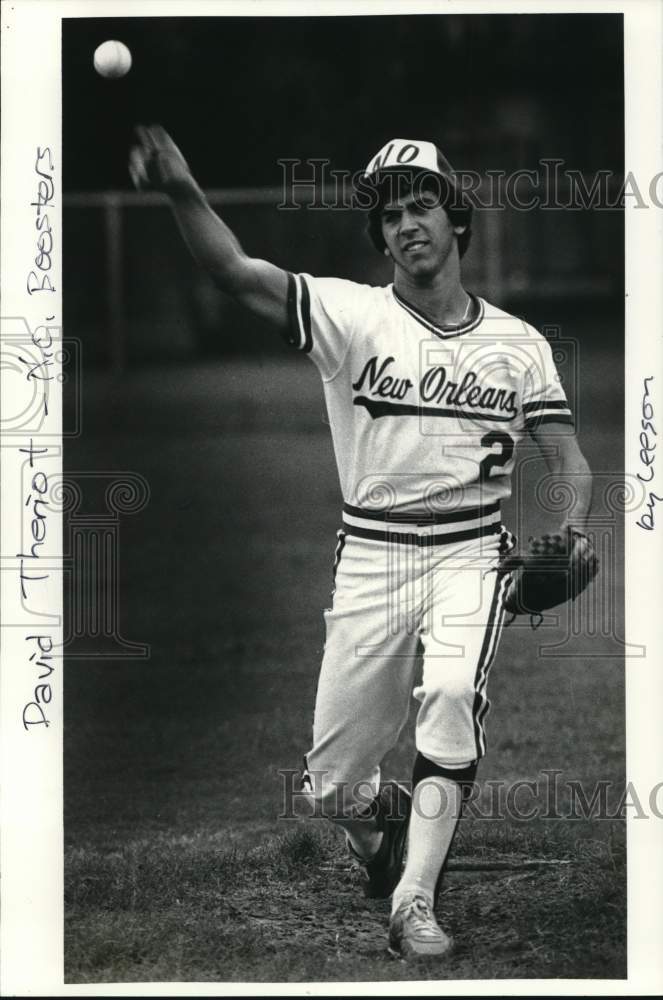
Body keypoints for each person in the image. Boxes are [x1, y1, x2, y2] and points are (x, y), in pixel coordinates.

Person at [129, 129, 594, 961]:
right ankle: (382, 841)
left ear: (455, 219)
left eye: (421, 205)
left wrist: (567, 527)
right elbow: (231, 271)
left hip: (470, 553)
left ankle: (414, 901)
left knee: (451, 696)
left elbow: (568, 460)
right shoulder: (349, 314)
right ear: (378, 237)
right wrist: (180, 188)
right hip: (371, 555)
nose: (405, 224)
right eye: (388, 214)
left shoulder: (518, 345)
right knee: (332, 787)